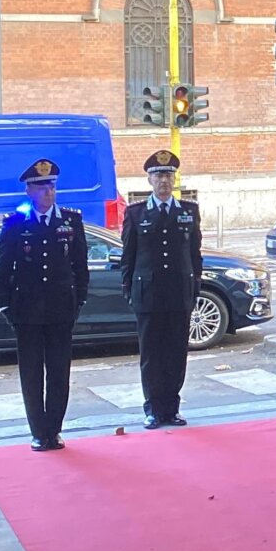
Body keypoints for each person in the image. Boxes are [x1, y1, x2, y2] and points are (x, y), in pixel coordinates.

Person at [0, 158, 89, 451]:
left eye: (51, 186)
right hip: (27, 310)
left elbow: (80, 267)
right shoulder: (15, 223)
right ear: (29, 191)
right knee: (32, 372)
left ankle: (55, 429)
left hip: (61, 309)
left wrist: (78, 301)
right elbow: (4, 269)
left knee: (59, 371)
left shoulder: (70, 221)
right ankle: (38, 430)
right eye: (41, 187)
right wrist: (6, 307)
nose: (48, 192)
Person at [119, 149, 203, 430]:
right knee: (152, 355)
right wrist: (129, 291)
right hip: (148, 295)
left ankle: (172, 407)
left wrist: (195, 289)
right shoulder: (136, 213)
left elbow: (195, 255)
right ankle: (153, 409)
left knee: (176, 353)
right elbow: (128, 257)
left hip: (179, 294)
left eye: (168, 175)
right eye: (158, 176)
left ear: (174, 179)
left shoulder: (188, 212)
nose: (164, 181)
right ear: (149, 181)